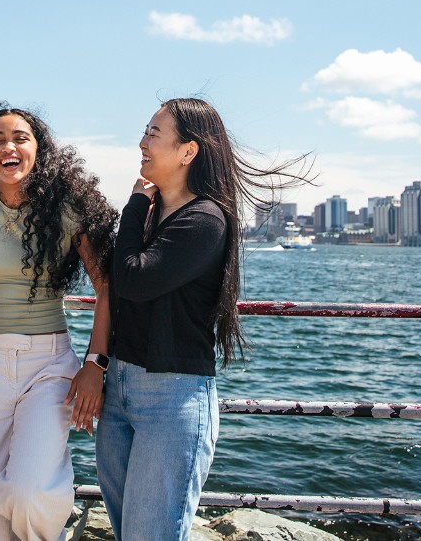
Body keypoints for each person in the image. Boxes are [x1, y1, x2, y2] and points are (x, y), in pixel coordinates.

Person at [96, 97, 312, 540]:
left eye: (154, 134)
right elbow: (119, 289)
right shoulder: (158, 215)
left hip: (171, 400)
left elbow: (132, 279)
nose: (142, 143)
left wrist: (135, 201)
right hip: (119, 387)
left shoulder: (204, 219)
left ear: (188, 151)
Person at [0, 100, 117, 541]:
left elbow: (107, 287)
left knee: (29, 491)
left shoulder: (68, 209)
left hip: (51, 366)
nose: (8, 146)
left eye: (20, 138)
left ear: (39, 151)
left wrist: (95, 364)